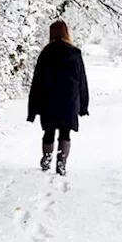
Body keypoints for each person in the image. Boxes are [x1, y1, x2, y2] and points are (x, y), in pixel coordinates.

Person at [27, 20, 90, 175]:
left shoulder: (46, 52)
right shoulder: (75, 54)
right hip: (69, 102)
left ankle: (47, 158)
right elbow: (82, 81)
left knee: (48, 132)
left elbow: (37, 81)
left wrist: (32, 109)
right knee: (65, 133)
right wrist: (83, 105)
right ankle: (61, 162)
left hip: (48, 100)